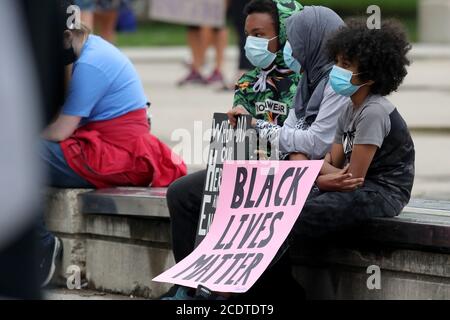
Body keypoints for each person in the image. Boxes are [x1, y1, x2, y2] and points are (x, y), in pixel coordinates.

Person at [161, 0, 303, 300]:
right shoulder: (249, 81)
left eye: (261, 34)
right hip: (250, 168)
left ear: (287, 33)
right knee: (182, 193)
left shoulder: (304, 81)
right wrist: (237, 128)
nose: (253, 42)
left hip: (289, 176)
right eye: (249, 34)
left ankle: (243, 290)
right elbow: (242, 139)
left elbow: (305, 140)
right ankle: (188, 284)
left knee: (249, 203)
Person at [38, 21, 187, 286]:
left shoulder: (90, 64)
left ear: (64, 36)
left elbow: (61, 129)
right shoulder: (88, 49)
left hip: (116, 156)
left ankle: (40, 247)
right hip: (100, 147)